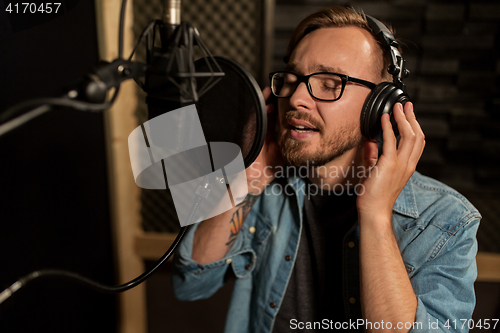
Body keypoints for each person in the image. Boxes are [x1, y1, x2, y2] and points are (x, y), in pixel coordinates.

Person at [172, 5, 480, 333]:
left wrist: (376, 214)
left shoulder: (447, 221)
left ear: (379, 107)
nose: (297, 98)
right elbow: (191, 283)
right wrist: (249, 176)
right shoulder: (266, 187)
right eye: (292, 79)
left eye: (330, 83)